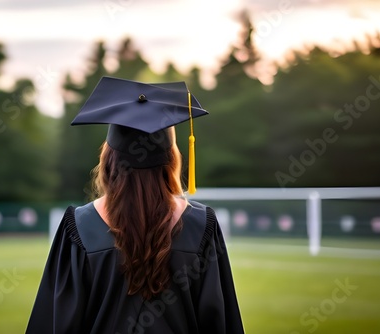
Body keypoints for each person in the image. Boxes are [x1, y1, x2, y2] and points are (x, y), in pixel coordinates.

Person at [26, 76, 244, 333]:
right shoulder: (200, 224)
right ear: (171, 157)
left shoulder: (80, 226)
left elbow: (57, 322)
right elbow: (218, 319)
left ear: (109, 159)